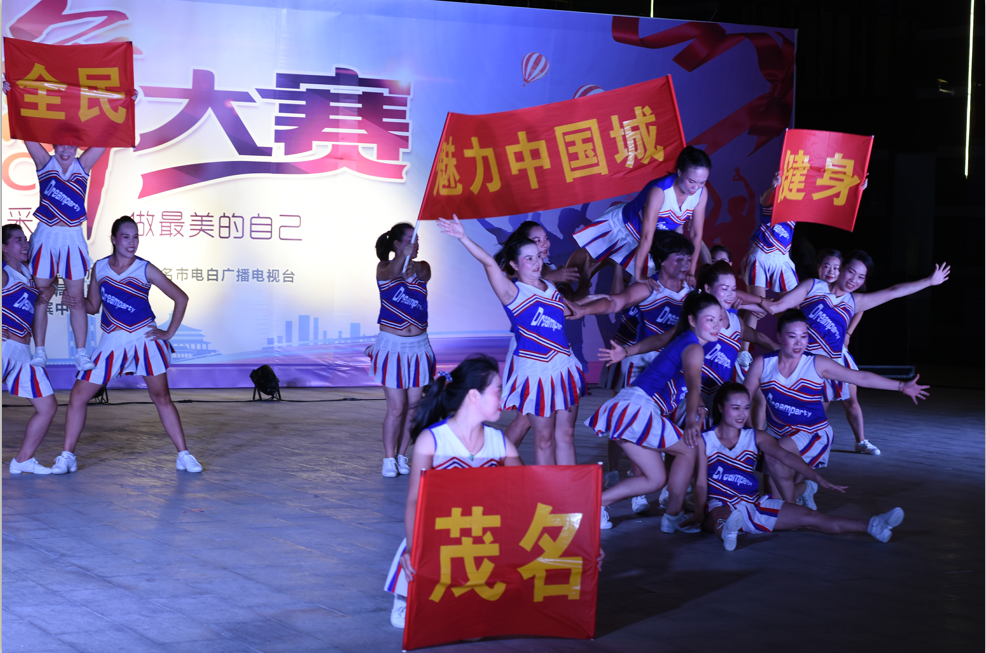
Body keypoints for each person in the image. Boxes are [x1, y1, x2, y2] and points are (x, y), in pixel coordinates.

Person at [2, 78, 135, 371]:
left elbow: (108, 136)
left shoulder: (82, 165)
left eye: (71, 145)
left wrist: (125, 105)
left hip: (73, 237)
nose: (66, 150)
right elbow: (25, 131)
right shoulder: (44, 162)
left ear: (77, 146)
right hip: (46, 236)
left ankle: (81, 353)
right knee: (40, 296)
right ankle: (39, 351)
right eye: (61, 144)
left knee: (76, 297)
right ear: (54, 145)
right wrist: (11, 97)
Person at [54, 217, 202, 474]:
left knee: (161, 397)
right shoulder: (100, 268)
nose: (132, 242)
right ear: (113, 239)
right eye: (126, 237)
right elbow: (93, 307)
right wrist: (76, 302)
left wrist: (168, 333)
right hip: (112, 340)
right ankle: (67, 456)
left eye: (135, 237)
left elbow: (181, 297)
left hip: (144, 338)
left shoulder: (145, 268)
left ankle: (184, 455)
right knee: (78, 395)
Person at [384, 355, 522, 628]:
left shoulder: (500, 442)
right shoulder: (433, 440)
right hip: (440, 532)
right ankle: (406, 591)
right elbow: (415, 499)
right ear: (474, 395)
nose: (502, 398)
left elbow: (534, 493)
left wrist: (576, 544)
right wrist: (413, 547)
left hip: (485, 534)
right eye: (497, 391)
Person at [767, 252, 948, 456]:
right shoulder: (813, 287)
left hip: (831, 365)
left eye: (861, 277)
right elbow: (778, 307)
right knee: (791, 415)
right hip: (804, 365)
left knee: (832, 411)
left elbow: (893, 292)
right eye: (851, 272)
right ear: (841, 269)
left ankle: (856, 442)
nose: (854, 279)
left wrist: (929, 281)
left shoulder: (854, 301)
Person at [439, 216, 585, 465]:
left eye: (537, 256)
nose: (536, 263)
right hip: (536, 371)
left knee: (567, 435)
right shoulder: (513, 293)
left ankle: (568, 488)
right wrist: (463, 236)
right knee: (544, 439)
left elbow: (572, 312)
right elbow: (488, 263)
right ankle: (545, 488)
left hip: (564, 366)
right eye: (528, 259)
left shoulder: (550, 287)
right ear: (514, 265)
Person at [742, 309, 929, 502]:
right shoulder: (763, 364)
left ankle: (790, 509)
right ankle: (804, 490)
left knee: (776, 455)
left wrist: (901, 386)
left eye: (804, 336)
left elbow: (861, 377)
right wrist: (747, 432)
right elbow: (743, 399)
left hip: (811, 432)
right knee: (772, 496)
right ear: (779, 337)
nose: (799, 342)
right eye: (792, 336)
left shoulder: (817, 364)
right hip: (776, 431)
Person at [698, 383, 906, 551]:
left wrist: (817, 478)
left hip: (753, 505)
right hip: (719, 504)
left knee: (812, 518)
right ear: (720, 407)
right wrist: (697, 514)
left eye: (746, 407)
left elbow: (786, 456)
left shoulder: (755, 436)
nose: (742, 414)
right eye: (735, 408)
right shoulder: (704, 440)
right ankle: (729, 532)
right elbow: (699, 483)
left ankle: (873, 525)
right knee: (721, 516)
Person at [587, 291, 720, 532]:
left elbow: (658, 341)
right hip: (639, 408)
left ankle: (595, 503)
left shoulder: (682, 336)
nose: (717, 325)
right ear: (692, 320)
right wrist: (691, 421)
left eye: (719, 319)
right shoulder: (694, 347)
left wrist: (626, 352)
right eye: (709, 319)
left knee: (655, 479)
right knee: (689, 448)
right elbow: (693, 385)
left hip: (629, 407)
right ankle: (673, 517)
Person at [568, 146, 712, 291]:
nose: (696, 187)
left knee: (648, 286)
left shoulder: (701, 194)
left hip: (654, 241)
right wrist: (639, 276)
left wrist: (691, 272)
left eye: (702, 182)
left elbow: (695, 234)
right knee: (587, 258)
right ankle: (562, 286)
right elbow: (646, 236)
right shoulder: (660, 191)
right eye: (691, 181)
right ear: (679, 172)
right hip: (626, 226)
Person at [492, 220, 580, 451]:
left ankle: (496, 458)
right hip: (528, 351)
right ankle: (495, 459)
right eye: (536, 240)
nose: (543, 244)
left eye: (545, 238)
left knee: (530, 421)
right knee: (525, 420)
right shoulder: (524, 272)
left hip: (553, 351)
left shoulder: (547, 270)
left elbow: (571, 308)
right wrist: (554, 277)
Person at [368, 223, 436, 477]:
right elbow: (391, 272)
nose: (415, 244)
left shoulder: (422, 267)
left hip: (418, 347)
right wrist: (402, 258)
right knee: (396, 407)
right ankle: (388, 458)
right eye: (410, 239)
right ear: (397, 244)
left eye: (417, 240)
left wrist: (412, 265)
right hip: (392, 347)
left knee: (413, 406)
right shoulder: (383, 267)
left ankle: (401, 455)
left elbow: (423, 271)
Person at [3, 224, 58, 474]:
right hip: (4, 347)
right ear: (4, 248)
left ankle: (23, 460)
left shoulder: (27, 272)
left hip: (24, 353)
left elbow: (51, 283)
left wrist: (51, 288)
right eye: (18, 240)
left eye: (25, 239)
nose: (25, 244)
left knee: (47, 407)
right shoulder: (4, 273)